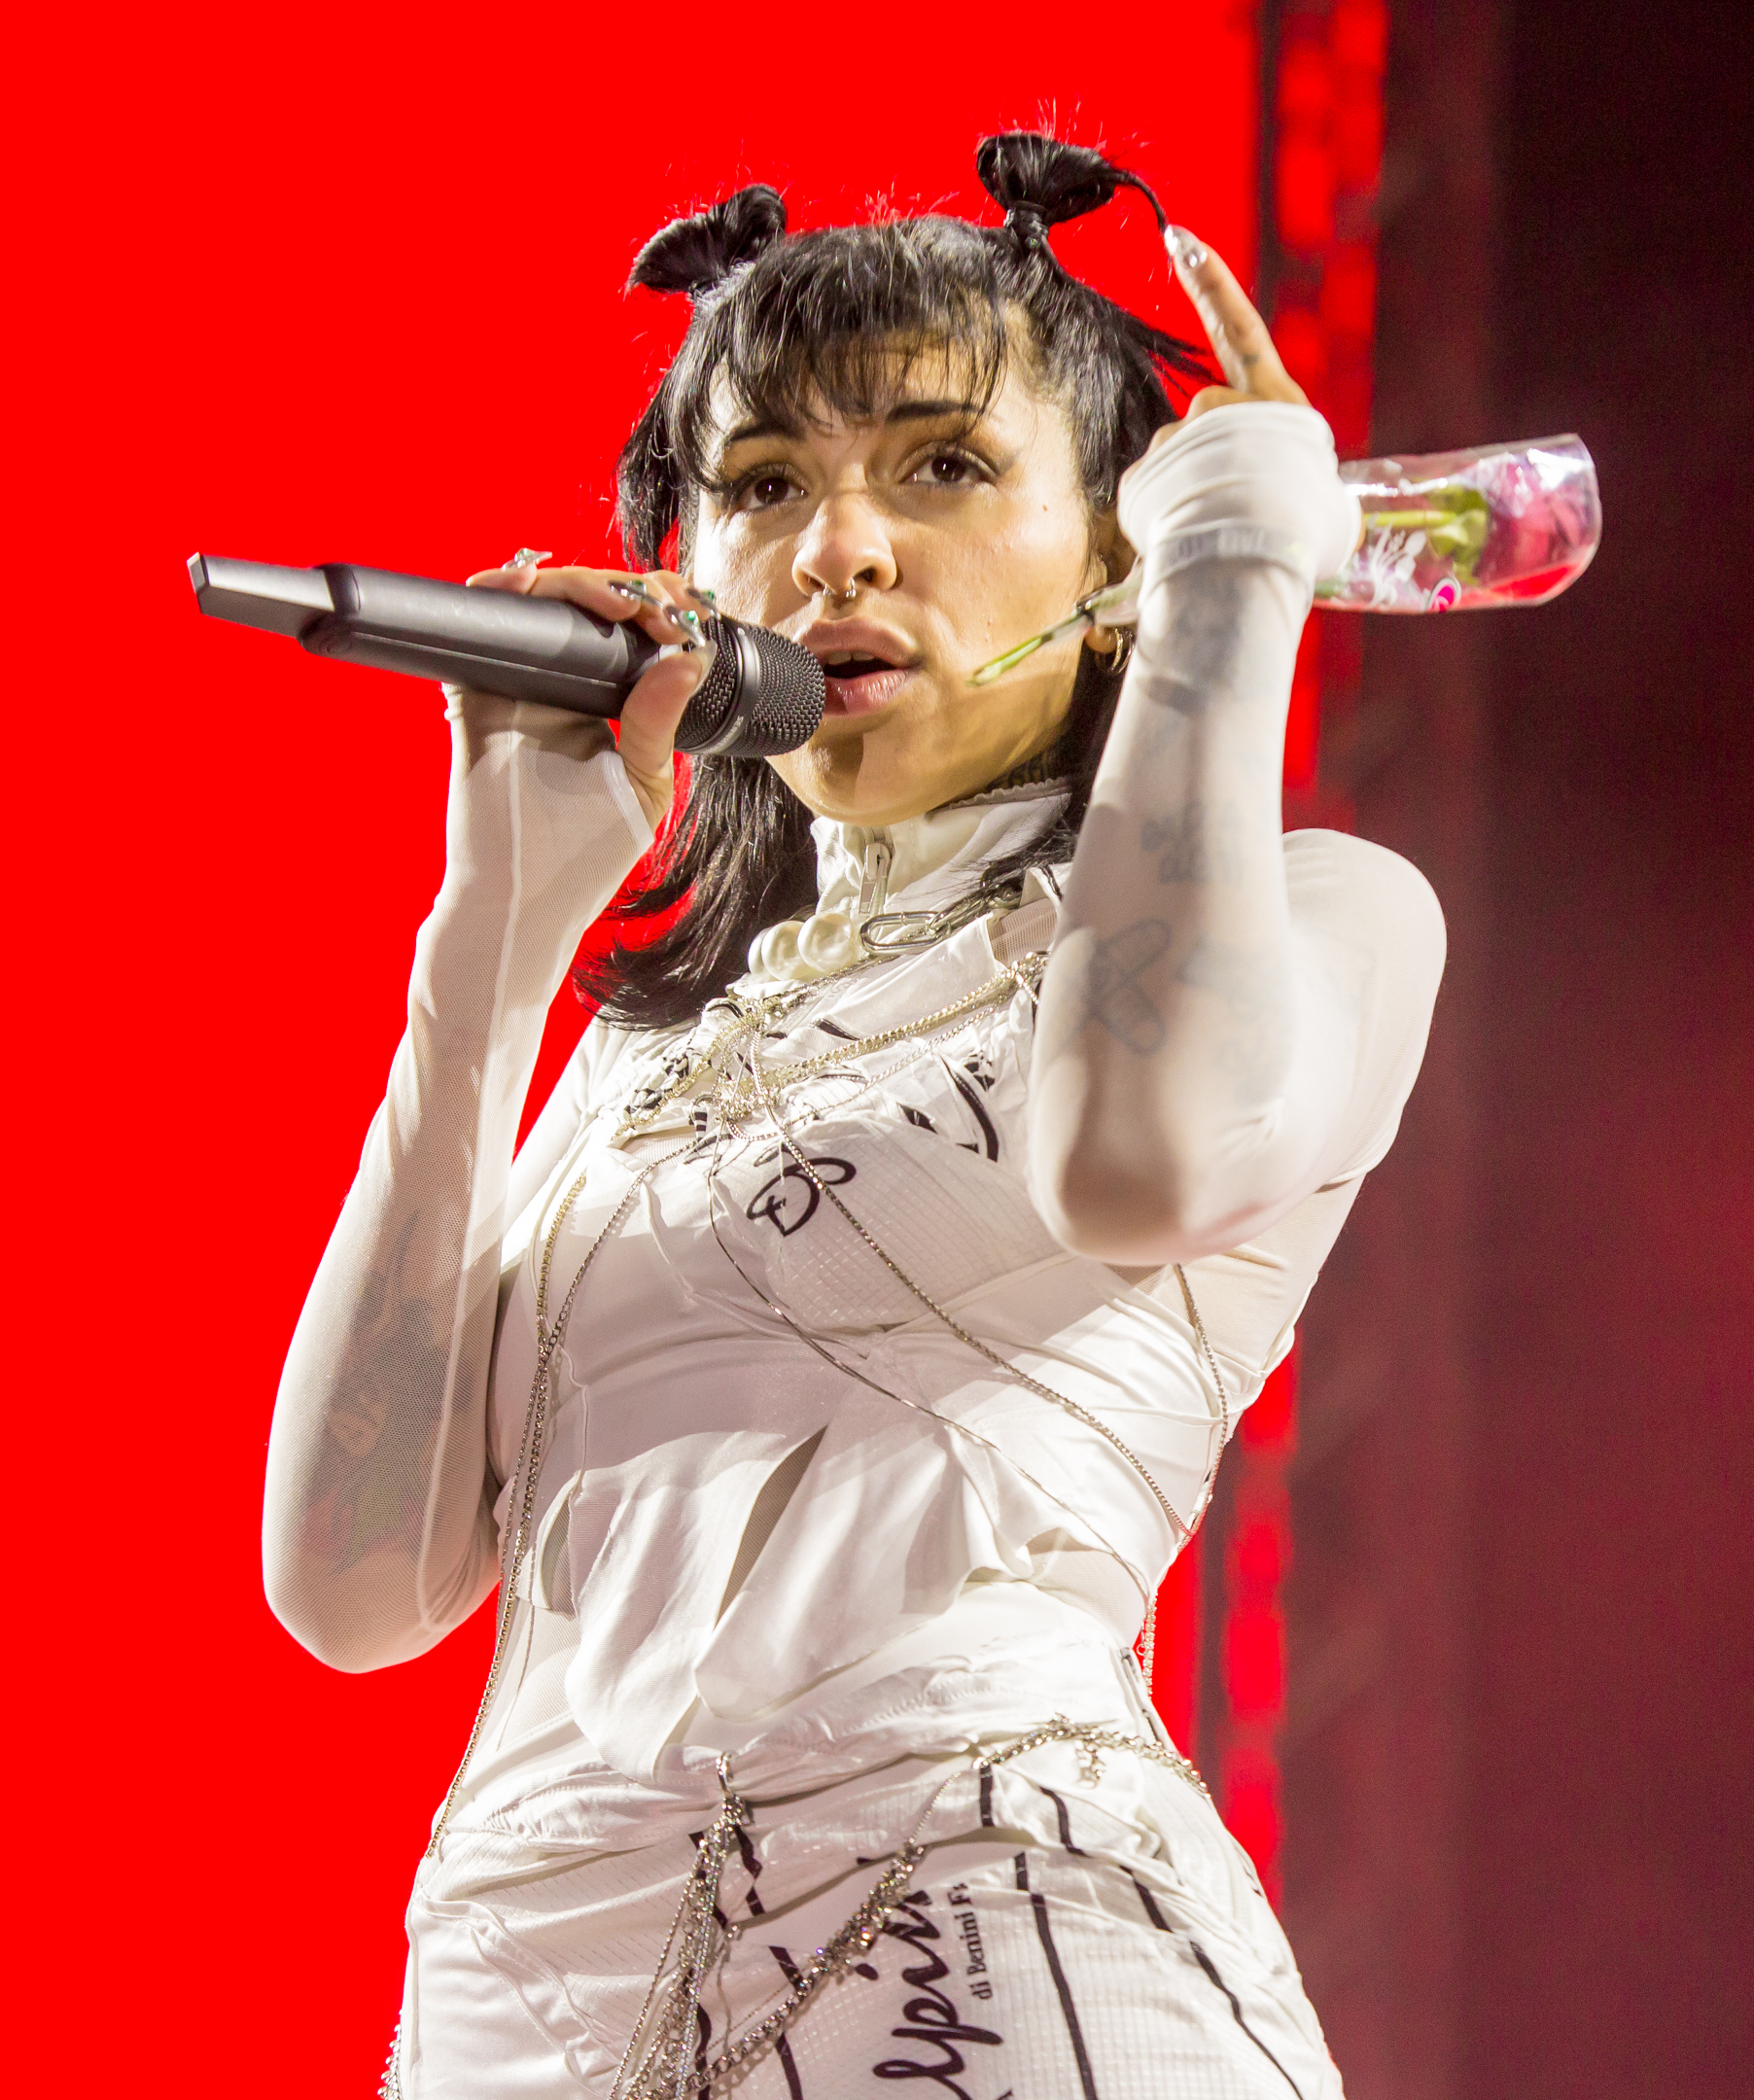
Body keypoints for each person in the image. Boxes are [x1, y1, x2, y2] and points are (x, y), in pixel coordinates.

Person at [261, 132, 1445, 2100]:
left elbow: (1132, 1150)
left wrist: (1234, 591)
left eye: (943, 466)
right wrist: (499, 926)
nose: (839, 550)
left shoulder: (1329, 919)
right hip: (523, 1994)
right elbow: (356, 1581)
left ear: (1116, 550)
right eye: (763, 484)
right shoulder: (643, 1054)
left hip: (981, 1963)